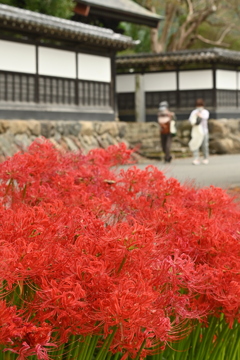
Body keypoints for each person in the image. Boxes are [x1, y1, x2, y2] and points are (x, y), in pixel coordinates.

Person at [188, 98, 210, 165]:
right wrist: (195, 115)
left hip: (204, 131)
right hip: (196, 132)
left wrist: (199, 115)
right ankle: (196, 158)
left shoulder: (205, 112)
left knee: (204, 145)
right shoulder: (194, 112)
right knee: (196, 144)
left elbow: (205, 117)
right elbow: (190, 120)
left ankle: (205, 158)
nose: (199, 107)